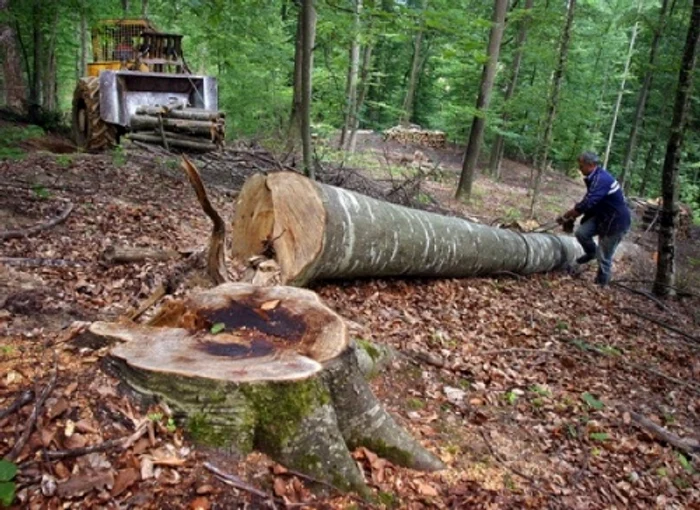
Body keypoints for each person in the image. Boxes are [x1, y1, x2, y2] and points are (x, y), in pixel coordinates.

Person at [559, 152, 631, 286]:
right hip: (602, 217)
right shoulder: (594, 177)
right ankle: (591, 253)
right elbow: (591, 201)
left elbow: (590, 201)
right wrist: (573, 216)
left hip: (616, 222)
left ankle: (601, 285)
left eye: (581, 166)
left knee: (604, 256)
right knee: (582, 233)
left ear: (590, 165)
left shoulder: (601, 179)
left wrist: (572, 213)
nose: (580, 169)